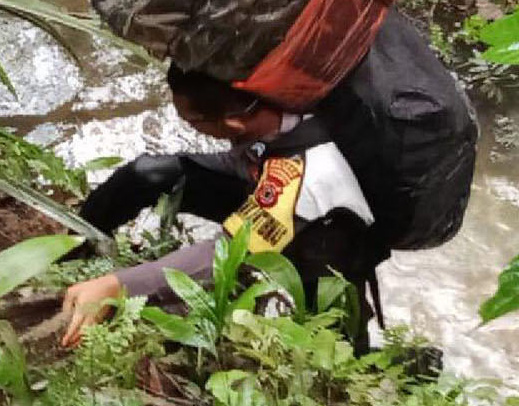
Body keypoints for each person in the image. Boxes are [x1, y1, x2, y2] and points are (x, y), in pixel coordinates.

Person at [61, 67, 379, 346]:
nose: (189, 127)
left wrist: (116, 286)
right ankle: (71, 250)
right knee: (149, 174)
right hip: (260, 168)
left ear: (232, 122)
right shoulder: (278, 90)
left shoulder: (306, 173)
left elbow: (225, 255)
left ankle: (401, 363)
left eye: (192, 121)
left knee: (331, 328)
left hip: (322, 231)